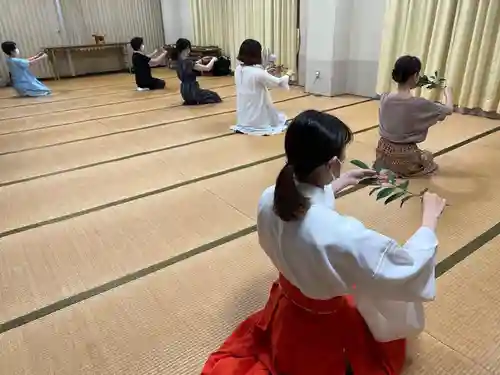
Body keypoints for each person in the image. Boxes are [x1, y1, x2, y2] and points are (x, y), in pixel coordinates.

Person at [201, 110, 446, 375]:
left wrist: (341, 181)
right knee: (378, 313)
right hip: (323, 326)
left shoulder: (271, 196)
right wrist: (429, 221)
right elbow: (406, 268)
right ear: (332, 164)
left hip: (288, 306)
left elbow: (307, 205)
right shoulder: (340, 235)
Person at [375, 55, 453, 177]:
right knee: (428, 156)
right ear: (415, 76)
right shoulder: (418, 104)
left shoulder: (385, 97)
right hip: (404, 156)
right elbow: (448, 110)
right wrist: (448, 93)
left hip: (382, 152)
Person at [231, 39, 292, 135]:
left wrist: (267, 72)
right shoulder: (257, 72)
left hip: (242, 119)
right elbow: (279, 82)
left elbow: (257, 78)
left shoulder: (238, 69)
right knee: (279, 119)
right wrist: (289, 74)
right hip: (257, 120)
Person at [172, 38, 222, 105]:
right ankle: (197, 99)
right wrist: (213, 60)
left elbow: (191, 65)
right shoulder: (188, 62)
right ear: (186, 48)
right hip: (193, 91)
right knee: (215, 96)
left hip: (184, 91)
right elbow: (207, 68)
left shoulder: (178, 62)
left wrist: (201, 60)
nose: (189, 51)